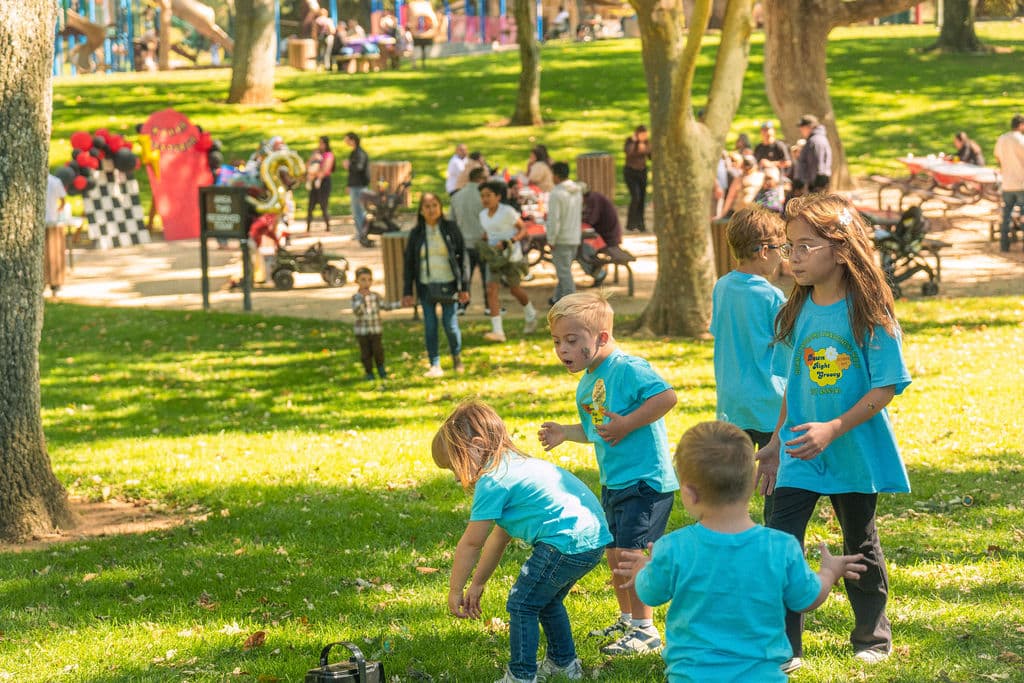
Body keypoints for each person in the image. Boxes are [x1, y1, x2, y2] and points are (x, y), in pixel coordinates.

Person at [756, 193, 913, 671]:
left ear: (842, 250)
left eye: (805, 246)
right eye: (789, 247)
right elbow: (795, 382)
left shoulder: (869, 312)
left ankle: (872, 637)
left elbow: (886, 387)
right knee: (780, 544)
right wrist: (775, 443)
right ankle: (785, 646)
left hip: (853, 451)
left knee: (859, 543)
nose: (794, 257)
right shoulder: (795, 310)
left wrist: (834, 428)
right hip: (798, 452)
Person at [614, 421, 868, 683]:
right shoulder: (781, 547)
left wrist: (643, 570)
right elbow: (807, 598)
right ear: (750, 484)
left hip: (693, 676)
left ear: (689, 494)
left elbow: (651, 593)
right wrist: (829, 573)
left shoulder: (673, 547)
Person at [538, 291, 678, 657]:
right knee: (615, 554)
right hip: (614, 481)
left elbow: (666, 398)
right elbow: (597, 429)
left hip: (645, 480)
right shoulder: (587, 381)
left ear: (601, 337)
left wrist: (628, 423)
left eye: (572, 340)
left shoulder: (627, 368)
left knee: (631, 554)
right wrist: (564, 433)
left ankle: (646, 631)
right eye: (557, 341)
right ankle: (628, 620)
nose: (562, 349)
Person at [435, 401, 610, 683]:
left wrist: (455, 589)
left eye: (454, 466)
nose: (456, 477)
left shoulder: (493, 480)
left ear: (477, 446)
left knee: (522, 604)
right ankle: (563, 664)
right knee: (547, 601)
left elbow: (471, 544)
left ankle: (521, 676)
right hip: (592, 538)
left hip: (565, 541)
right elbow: (499, 537)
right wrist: (477, 583)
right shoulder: (514, 466)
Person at [710, 206, 787, 523]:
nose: (783, 256)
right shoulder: (773, 297)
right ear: (764, 250)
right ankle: (776, 534)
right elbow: (787, 347)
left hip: (732, 402)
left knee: (731, 482)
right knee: (774, 482)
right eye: (781, 248)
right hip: (769, 403)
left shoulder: (721, 287)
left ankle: (724, 530)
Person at [401, 192, 470, 378]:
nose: (431, 210)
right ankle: (434, 363)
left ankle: (456, 356)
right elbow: (409, 264)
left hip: (449, 284)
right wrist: (407, 291)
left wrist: (464, 287)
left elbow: (462, 258)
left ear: (440, 208)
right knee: (430, 326)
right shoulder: (416, 234)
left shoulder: (450, 228)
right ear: (421, 211)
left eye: (434, 206)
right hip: (426, 286)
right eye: (427, 206)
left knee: (450, 324)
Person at [477, 180, 538, 342]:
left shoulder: (508, 212)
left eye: (488, 195)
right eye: (482, 196)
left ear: (498, 196)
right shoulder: (482, 215)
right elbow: (489, 232)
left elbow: (523, 229)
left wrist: (509, 241)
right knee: (491, 290)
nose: (485, 199)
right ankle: (498, 331)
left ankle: (531, 314)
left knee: (514, 290)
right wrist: (484, 242)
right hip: (494, 259)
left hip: (511, 258)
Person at [450, 166, 488, 314]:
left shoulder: (456, 197)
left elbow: (452, 221)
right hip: (482, 241)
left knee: (465, 276)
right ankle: (489, 305)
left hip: (463, 242)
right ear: (480, 179)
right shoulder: (484, 197)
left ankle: (462, 305)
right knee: (486, 275)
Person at [546, 161, 583, 305]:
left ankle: (571, 303)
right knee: (565, 270)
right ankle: (557, 298)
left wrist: (551, 239)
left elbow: (554, 219)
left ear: (556, 176)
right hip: (574, 236)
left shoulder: (556, 194)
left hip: (561, 238)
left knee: (563, 272)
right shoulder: (577, 191)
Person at [993, 114, 1024, 253]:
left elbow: (997, 157)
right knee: (1022, 215)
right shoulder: (1021, 139)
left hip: (1007, 183)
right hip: (1021, 183)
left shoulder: (1002, 139)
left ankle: (1004, 245)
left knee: (1006, 215)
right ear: (1021, 125)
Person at [351, 266, 387, 382]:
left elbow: (385, 306)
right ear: (357, 281)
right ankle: (369, 372)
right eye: (363, 280)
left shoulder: (375, 296)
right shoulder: (356, 298)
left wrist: (400, 304)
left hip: (375, 329)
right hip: (362, 332)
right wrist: (363, 299)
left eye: (369, 280)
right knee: (365, 353)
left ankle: (381, 369)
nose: (366, 283)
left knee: (378, 351)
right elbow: (357, 311)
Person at [343, 132, 372, 247]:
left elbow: (358, 168)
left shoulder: (359, 153)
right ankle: (361, 232)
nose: (345, 142)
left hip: (359, 186)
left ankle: (361, 233)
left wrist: (348, 165)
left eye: (347, 140)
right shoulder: (355, 152)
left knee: (358, 211)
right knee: (358, 211)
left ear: (353, 140)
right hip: (355, 185)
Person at [715, 154, 764, 220]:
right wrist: (722, 214)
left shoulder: (762, 176)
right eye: (745, 165)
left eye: (748, 165)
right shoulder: (738, 179)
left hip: (755, 214)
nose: (747, 168)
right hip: (739, 213)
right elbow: (730, 197)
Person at [793, 114, 832, 194]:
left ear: (810, 127)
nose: (800, 129)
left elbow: (816, 163)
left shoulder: (815, 141)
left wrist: (811, 184)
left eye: (802, 127)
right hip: (817, 180)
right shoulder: (817, 138)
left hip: (816, 182)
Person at [623, 125, 651, 232]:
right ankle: (631, 223)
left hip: (642, 172)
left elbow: (651, 156)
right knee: (636, 196)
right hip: (631, 172)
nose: (644, 136)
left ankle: (641, 223)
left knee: (642, 198)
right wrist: (635, 142)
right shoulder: (630, 141)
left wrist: (647, 148)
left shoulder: (647, 143)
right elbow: (628, 152)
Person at [305, 136, 335, 232]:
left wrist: (317, 174)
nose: (320, 145)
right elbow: (306, 167)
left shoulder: (328, 155)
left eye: (322, 143)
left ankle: (327, 226)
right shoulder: (316, 153)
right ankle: (308, 227)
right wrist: (312, 158)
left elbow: (326, 169)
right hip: (314, 180)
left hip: (324, 182)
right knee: (310, 206)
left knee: (323, 205)